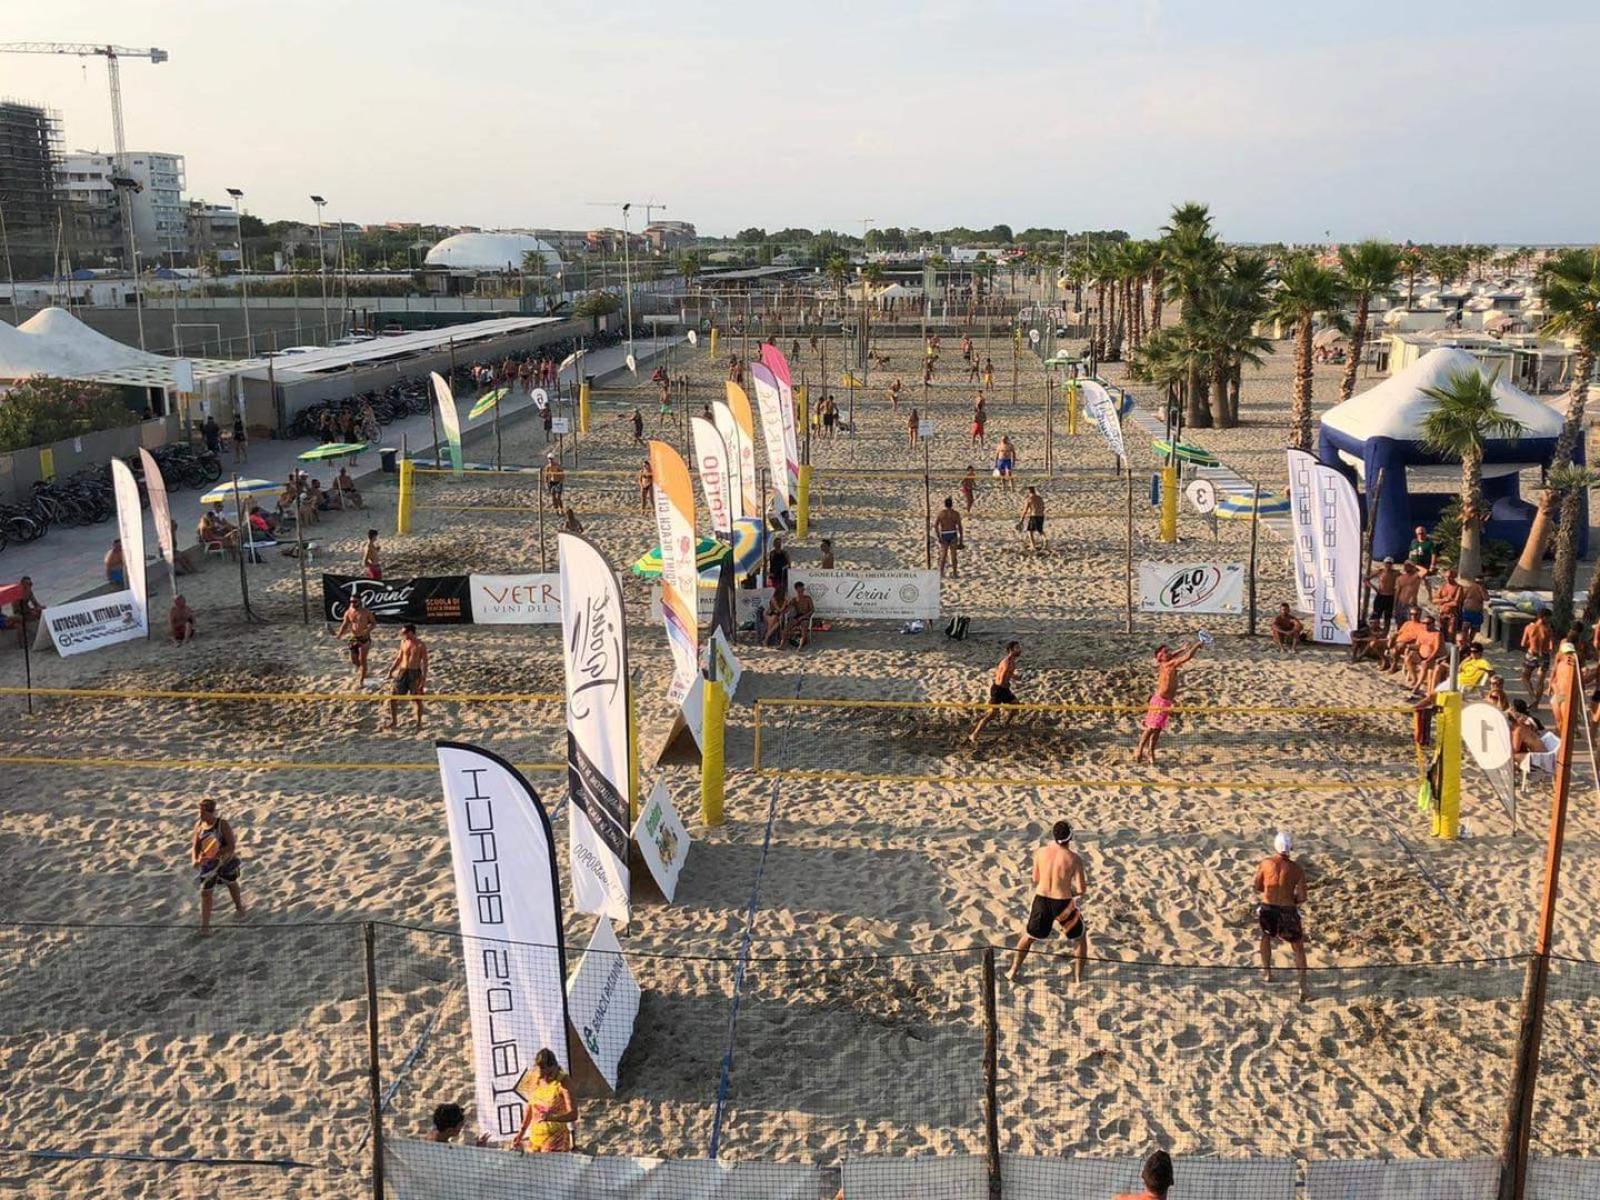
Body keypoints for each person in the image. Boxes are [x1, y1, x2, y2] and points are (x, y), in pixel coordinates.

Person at [1008, 819, 1089, 983]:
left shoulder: (1040, 852)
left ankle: (1013, 971)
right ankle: (1078, 977)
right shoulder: (1074, 859)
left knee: (1029, 936)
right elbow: (1081, 889)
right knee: (1079, 938)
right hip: (1063, 903)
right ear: (1070, 838)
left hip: (1042, 900)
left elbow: (1035, 878)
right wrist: (1069, 890)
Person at [1254, 831, 1309, 1001]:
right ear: (1290, 848)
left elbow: (1258, 886)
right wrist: (1289, 897)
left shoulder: (1265, 863)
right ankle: (1302, 987)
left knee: (1266, 937)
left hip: (1268, 907)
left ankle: (1267, 973)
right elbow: (1302, 897)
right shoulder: (1297, 869)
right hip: (1287, 910)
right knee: (1298, 947)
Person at [1135, 640, 1203, 765]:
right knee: (1150, 728)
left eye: (1169, 651)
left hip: (1166, 702)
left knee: (1157, 729)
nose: (1170, 653)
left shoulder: (1166, 661)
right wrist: (1196, 646)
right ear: (1159, 657)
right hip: (1159, 701)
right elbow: (1188, 657)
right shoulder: (1168, 665)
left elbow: (1174, 655)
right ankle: (1139, 750)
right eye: (1166, 651)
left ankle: (1150, 751)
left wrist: (1182, 649)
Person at [191, 798, 246, 934]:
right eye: (200, 812)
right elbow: (195, 846)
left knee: (231, 883)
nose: (201, 815)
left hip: (225, 862)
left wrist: (215, 854)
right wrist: (195, 859)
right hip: (208, 865)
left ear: (211, 812)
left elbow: (231, 846)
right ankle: (205, 927)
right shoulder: (199, 825)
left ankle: (239, 908)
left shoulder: (222, 825)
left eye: (203, 812)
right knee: (205, 893)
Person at [512, 1048, 576, 1152]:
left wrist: (552, 1118)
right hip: (535, 1138)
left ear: (553, 1067)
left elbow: (573, 1114)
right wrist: (521, 1132)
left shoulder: (563, 1082)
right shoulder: (534, 1077)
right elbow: (530, 1107)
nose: (541, 1071)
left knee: (550, 1165)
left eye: (544, 1068)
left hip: (556, 1138)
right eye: (539, 1068)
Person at [969, 640, 1023, 744]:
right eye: (1017, 648)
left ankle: (1005, 724)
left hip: (1004, 689)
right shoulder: (1007, 662)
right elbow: (1001, 679)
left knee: (1016, 706)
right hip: (998, 690)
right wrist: (1007, 684)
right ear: (1011, 650)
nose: (1020, 650)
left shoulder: (1012, 662)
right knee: (992, 715)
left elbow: (1009, 674)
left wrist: (1017, 677)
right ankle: (974, 734)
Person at [385, 624, 429, 731]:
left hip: (414, 672)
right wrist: (391, 670)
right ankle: (394, 721)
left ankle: (419, 723)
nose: (403, 634)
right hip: (403, 671)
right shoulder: (403, 642)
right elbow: (399, 658)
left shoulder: (420, 645)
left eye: (404, 632)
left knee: (417, 699)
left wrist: (423, 680)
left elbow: (425, 663)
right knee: (393, 696)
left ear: (411, 632)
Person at [334, 593, 377, 687]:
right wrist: (339, 635)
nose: (352, 603)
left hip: (364, 638)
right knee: (354, 660)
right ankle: (363, 670)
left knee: (362, 659)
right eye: (351, 601)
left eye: (354, 601)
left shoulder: (366, 612)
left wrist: (367, 630)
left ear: (359, 601)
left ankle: (361, 680)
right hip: (354, 637)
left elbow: (373, 623)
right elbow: (344, 625)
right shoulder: (349, 612)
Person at [1521, 610, 1555, 701]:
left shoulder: (1529, 627)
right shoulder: (1548, 629)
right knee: (1540, 681)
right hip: (1544, 656)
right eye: (1549, 618)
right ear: (1544, 617)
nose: (1549, 620)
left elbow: (1523, 644)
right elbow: (1551, 645)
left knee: (1525, 677)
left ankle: (1532, 696)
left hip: (1531, 655)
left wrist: (1532, 641)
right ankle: (1536, 705)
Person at [1367, 557, 1399, 634]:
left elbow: (1405, 578)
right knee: (1376, 616)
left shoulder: (1396, 573)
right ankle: (1374, 633)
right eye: (1387, 563)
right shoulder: (1380, 572)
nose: (1388, 565)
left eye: (1390, 563)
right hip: (1380, 596)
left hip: (1390, 597)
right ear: (1384, 564)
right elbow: (1366, 579)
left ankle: (1385, 634)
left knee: (1387, 617)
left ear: (1392, 564)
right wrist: (1374, 588)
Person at [934, 497, 964, 578]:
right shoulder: (956, 514)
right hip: (953, 533)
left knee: (943, 555)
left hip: (944, 534)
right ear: (952, 504)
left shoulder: (941, 513)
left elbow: (936, 526)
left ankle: (941, 573)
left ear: (945, 504)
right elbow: (960, 527)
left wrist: (938, 537)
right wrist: (961, 540)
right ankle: (954, 573)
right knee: (954, 555)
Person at [10, 576, 43, 648]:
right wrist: (30, 611)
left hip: (27, 611)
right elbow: (17, 608)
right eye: (28, 584)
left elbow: (35, 603)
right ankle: (22, 643)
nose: (30, 585)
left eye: (30, 584)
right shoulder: (17, 593)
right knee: (19, 620)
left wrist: (39, 608)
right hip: (19, 613)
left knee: (42, 611)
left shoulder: (29, 592)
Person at [783, 581, 816, 649]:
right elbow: (787, 609)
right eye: (800, 589)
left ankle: (800, 646)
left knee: (804, 627)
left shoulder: (807, 598)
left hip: (805, 616)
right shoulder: (794, 599)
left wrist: (804, 616)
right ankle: (782, 644)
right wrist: (785, 605)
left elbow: (812, 610)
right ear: (796, 589)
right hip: (797, 616)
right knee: (786, 627)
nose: (802, 590)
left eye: (802, 589)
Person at [1019, 485, 1045, 553]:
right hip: (1041, 515)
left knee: (1030, 531)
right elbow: (1043, 507)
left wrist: (1021, 520)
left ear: (1028, 491)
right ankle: (1046, 542)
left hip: (1034, 515)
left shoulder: (1029, 499)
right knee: (1040, 530)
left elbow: (1025, 510)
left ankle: (1033, 545)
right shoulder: (1040, 498)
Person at [766, 535, 791, 600]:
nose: (778, 545)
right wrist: (770, 572)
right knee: (774, 590)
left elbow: (789, 564)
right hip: (774, 574)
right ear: (774, 544)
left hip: (783, 574)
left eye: (779, 543)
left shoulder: (785, 553)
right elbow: (770, 564)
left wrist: (785, 568)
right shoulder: (772, 553)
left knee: (783, 590)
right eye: (777, 543)